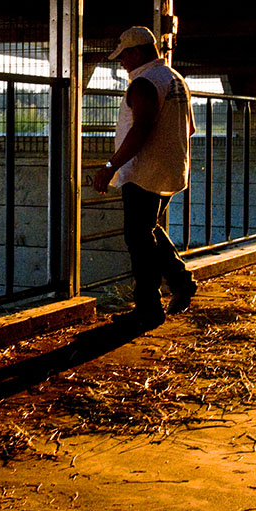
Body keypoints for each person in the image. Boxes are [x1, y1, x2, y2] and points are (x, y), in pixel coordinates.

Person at [92, 25, 198, 328]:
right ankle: (181, 281)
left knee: (138, 238)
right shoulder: (175, 79)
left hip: (144, 173)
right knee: (148, 230)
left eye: (123, 56)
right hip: (172, 170)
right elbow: (189, 129)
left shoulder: (144, 83)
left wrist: (111, 166)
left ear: (136, 52)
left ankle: (148, 308)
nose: (121, 62)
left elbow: (141, 129)